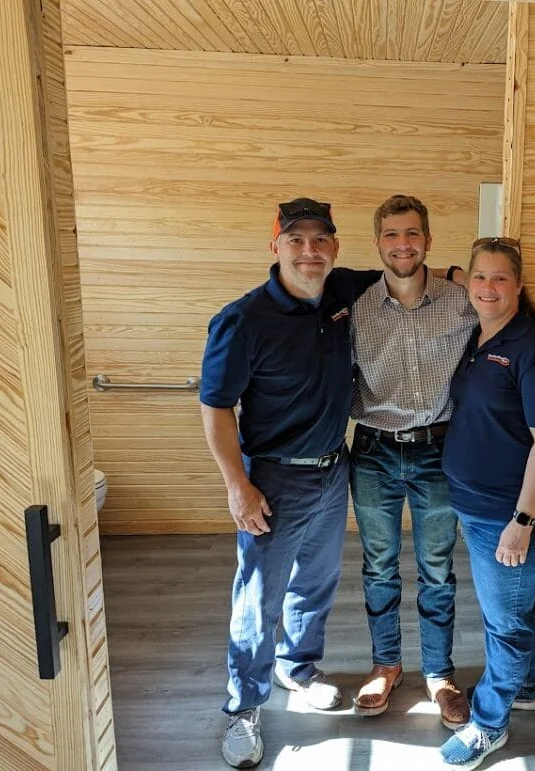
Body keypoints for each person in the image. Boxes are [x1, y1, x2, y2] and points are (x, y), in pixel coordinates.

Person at [348, 196, 535, 729]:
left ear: (429, 241)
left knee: (437, 572)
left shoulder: (463, 300)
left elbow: (522, 322)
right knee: (378, 568)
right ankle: (385, 665)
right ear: (378, 242)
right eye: (390, 235)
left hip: (436, 452)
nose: (402, 244)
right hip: (373, 451)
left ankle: (439, 675)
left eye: (412, 234)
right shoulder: (354, 305)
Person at [200, 198, 383, 768]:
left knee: (315, 586)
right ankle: (243, 709)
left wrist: (457, 275)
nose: (310, 251)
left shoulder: (342, 293)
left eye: (321, 239)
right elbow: (216, 408)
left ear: (335, 247)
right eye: (297, 240)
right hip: (273, 480)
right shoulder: (243, 319)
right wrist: (238, 485)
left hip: (335, 469)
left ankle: (297, 669)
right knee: (259, 598)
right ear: (275, 246)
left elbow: (408, 268)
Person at [436, 236, 535, 770]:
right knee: (522, 603)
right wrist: (456, 271)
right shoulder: (483, 331)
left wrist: (521, 522)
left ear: (520, 287)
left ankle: (489, 725)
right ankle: (530, 688)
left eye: (501, 278)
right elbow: (454, 275)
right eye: (480, 277)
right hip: (481, 509)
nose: (488, 287)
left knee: (506, 622)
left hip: (517, 515)